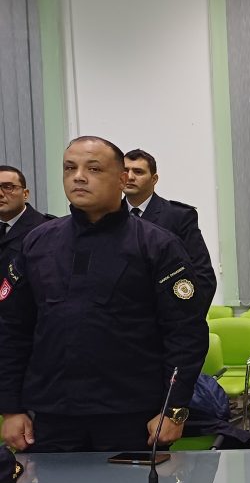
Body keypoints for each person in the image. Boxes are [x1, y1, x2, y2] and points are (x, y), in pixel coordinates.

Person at [0, 136, 209, 452]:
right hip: (53, 413)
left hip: (132, 414)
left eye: (94, 168)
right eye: (70, 168)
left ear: (122, 179)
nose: (79, 177)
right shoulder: (38, 242)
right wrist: (11, 407)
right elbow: (12, 330)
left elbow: (185, 333)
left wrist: (174, 408)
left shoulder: (157, 245)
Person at [123, 148, 217, 309]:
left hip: (164, 314)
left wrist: (187, 317)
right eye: (125, 171)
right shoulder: (107, 216)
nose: (130, 177)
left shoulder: (178, 216)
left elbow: (203, 275)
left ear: (154, 179)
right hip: (120, 316)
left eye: (138, 172)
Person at [0, 165, 55, 276]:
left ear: (25, 194)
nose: (0, 194)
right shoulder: (3, 228)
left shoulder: (46, 229)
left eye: (8, 187)